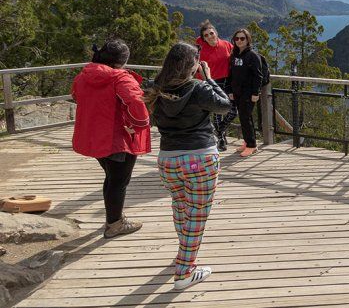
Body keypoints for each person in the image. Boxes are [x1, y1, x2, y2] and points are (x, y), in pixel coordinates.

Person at [144, 42, 232, 291]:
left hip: (168, 159)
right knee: (197, 215)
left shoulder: (155, 88)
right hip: (200, 158)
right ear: (191, 66)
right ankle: (185, 271)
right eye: (196, 63)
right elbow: (225, 106)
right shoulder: (199, 88)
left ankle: (184, 252)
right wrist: (210, 79)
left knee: (180, 206)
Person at [71, 39, 150, 239]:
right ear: (123, 60)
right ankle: (115, 224)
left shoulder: (84, 75)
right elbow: (135, 102)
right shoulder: (120, 78)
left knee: (111, 178)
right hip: (117, 138)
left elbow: (75, 96)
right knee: (118, 181)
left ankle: (113, 217)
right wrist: (139, 125)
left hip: (94, 135)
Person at [195, 20, 237, 151]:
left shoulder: (226, 45)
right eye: (206, 35)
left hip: (228, 82)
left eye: (211, 33)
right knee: (218, 112)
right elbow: (196, 66)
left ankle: (218, 131)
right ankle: (221, 139)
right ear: (203, 38)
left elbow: (236, 59)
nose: (209, 37)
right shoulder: (200, 50)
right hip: (212, 82)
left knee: (233, 111)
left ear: (216, 33)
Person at [225, 29, 263, 157]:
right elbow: (231, 75)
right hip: (237, 92)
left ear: (248, 40)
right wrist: (230, 90)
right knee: (243, 117)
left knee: (245, 118)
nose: (239, 41)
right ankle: (247, 142)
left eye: (242, 38)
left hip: (248, 93)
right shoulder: (235, 55)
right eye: (237, 39)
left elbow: (258, 76)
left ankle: (252, 145)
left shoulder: (252, 55)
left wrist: (255, 93)